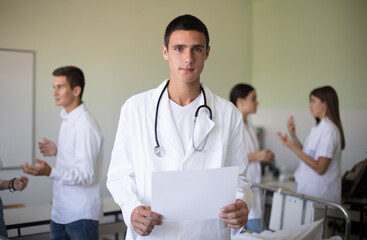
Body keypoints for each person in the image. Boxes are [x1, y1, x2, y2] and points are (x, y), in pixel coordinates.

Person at [107, 14, 253, 240]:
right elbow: (119, 176)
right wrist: (132, 208)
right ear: (165, 52)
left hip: (206, 233)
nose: (188, 58)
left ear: (207, 53)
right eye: (179, 49)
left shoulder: (228, 114)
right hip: (154, 233)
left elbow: (239, 178)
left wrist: (242, 203)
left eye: (196, 49)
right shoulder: (135, 109)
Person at [21, 66, 103, 240]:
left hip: (80, 216)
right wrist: (58, 151)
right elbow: (77, 161)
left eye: (60, 87)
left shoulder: (85, 127)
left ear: (76, 90)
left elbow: (86, 175)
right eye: (54, 87)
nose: (54, 92)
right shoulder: (67, 119)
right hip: (60, 213)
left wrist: (50, 171)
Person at [277, 86, 345, 205]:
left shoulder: (329, 130)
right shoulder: (319, 128)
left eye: (313, 101)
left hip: (320, 196)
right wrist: (293, 136)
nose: (310, 105)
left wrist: (291, 146)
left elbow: (320, 168)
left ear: (325, 104)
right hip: (309, 193)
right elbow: (308, 154)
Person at [230, 83, 275, 233]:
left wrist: (262, 157)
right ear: (240, 101)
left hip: (253, 187)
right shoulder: (232, 124)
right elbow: (229, 158)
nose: (257, 102)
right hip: (240, 190)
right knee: (254, 231)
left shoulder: (249, 124)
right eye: (253, 98)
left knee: (256, 230)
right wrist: (257, 156)